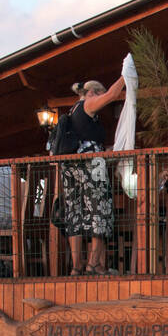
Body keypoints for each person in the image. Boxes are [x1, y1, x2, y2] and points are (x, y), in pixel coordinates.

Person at [60, 76, 127, 274]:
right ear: (92, 93)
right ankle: (93, 263)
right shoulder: (88, 105)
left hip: (71, 166)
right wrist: (125, 75)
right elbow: (113, 94)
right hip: (91, 165)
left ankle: (76, 266)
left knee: (75, 214)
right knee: (100, 210)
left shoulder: (73, 111)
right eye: (100, 95)